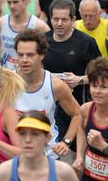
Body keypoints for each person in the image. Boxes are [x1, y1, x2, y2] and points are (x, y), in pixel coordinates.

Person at [14, 29, 81, 157]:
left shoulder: (56, 86)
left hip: (48, 155)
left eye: (30, 55)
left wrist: (66, 141)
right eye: (20, 55)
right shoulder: (8, 82)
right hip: (16, 154)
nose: (24, 60)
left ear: (42, 55)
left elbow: (77, 114)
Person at [43, 0, 101, 138]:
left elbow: (102, 74)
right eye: (55, 19)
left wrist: (79, 80)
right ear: (50, 19)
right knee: (51, 148)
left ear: (73, 19)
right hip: (48, 106)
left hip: (77, 105)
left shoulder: (86, 42)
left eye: (64, 19)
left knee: (76, 151)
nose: (59, 23)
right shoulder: (43, 41)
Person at [0, 0, 49, 71]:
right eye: (9, 2)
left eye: (16, 2)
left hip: (29, 76)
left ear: (26, 0)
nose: (12, 6)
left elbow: (47, 51)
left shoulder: (39, 26)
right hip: (7, 75)